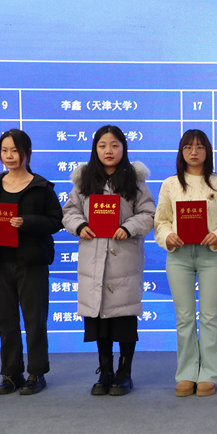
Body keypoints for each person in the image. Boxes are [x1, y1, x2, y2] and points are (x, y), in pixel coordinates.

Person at [62, 125, 155, 396]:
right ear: (95, 149)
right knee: (99, 319)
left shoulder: (135, 181)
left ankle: (124, 373)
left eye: (115, 145)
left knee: (124, 318)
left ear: (123, 148)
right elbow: (69, 212)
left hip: (123, 259)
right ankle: (105, 371)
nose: (109, 151)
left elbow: (149, 213)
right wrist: (80, 226)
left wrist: (128, 227)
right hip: (93, 259)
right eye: (102, 145)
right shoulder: (84, 181)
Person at [0, 129, 63, 395]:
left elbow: (56, 221)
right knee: (5, 320)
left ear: (27, 153)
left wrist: (27, 222)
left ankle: (37, 373)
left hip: (32, 262)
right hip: (1, 262)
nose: (9, 156)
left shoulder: (41, 186)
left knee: (35, 320)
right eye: (4, 151)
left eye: (15, 150)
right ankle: (11, 373)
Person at [154, 129, 217, 398]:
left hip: (211, 255)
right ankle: (187, 373)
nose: (194, 152)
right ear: (181, 152)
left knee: (210, 317)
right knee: (185, 317)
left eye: (200, 147)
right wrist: (168, 235)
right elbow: (161, 221)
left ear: (207, 152)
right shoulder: (170, 184)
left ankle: (209, 374)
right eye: (188, 147)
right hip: (178, 256)